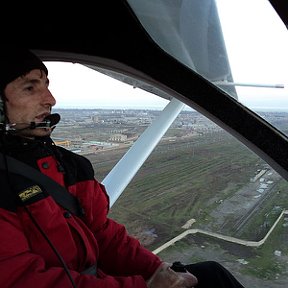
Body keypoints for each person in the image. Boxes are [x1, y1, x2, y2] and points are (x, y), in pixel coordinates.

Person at [0, 48, 246, 288]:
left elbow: (103, 234)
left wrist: (157, 270)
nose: (51, 100)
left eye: (46, 86)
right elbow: (19, 278)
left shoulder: (71, 166)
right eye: (30, 87)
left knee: (212, 274)